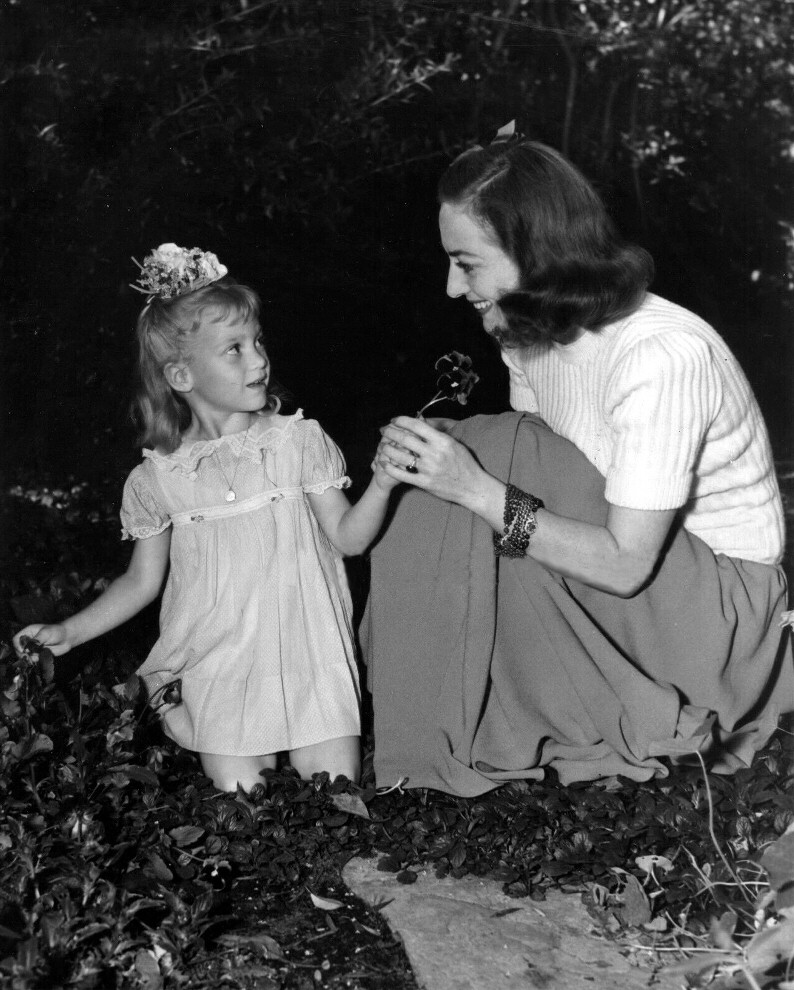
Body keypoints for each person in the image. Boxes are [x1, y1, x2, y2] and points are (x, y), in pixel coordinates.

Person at [366, 132, 793, 795]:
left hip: (717, 616)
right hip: (630, 578)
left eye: (467, 263)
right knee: (446, 456)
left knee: (481, 455)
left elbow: (624, 565)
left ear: (534, 254)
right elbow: (540, 487)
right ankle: (443, 722)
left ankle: (590, 713)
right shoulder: (528, 333)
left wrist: (476, 490)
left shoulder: (661, 355)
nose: (452, 287)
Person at [13, 243, 399, 792]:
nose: (259, 359)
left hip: (310, 659)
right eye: (234, 349)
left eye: (257, 341)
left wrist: (382, 483)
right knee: (245, 810)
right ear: (181, 376)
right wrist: (69, 630)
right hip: (221, 670)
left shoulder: (297, 443)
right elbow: (141, 581)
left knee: (335, 798)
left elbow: (349, 538)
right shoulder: (159, 479)